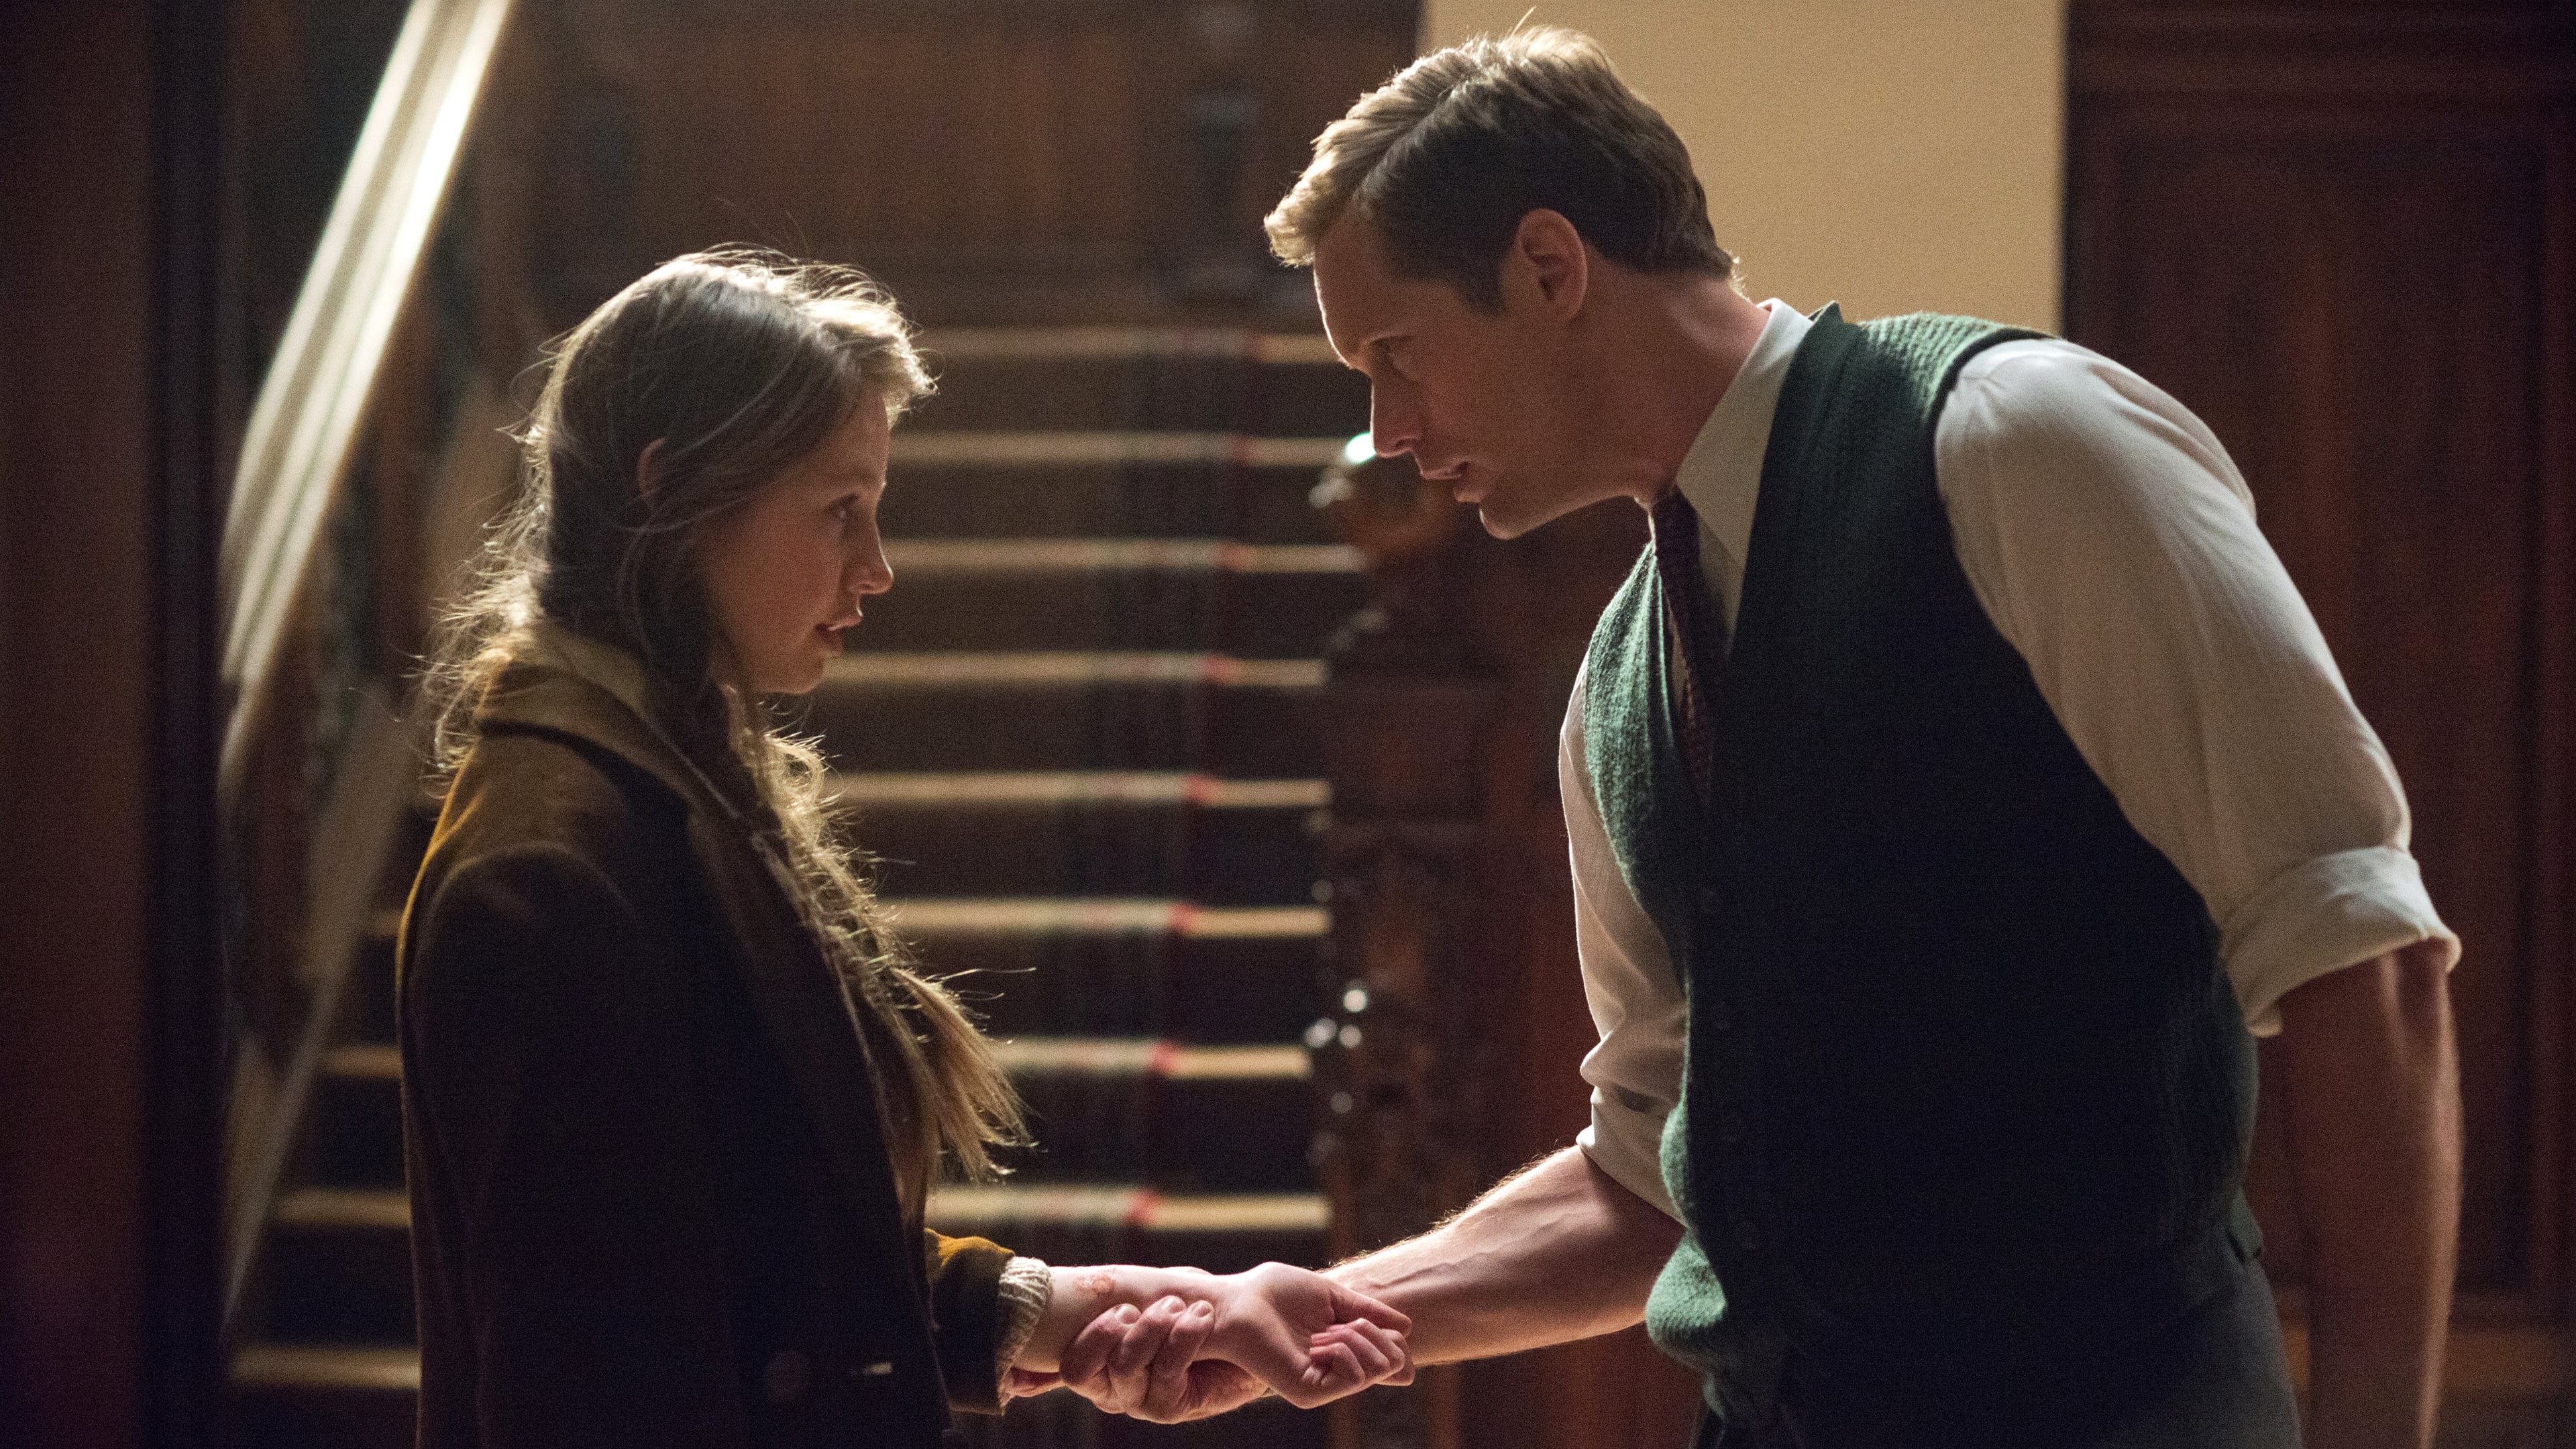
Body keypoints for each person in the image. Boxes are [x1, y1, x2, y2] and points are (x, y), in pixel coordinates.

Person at [1075, 28, 2463, 1449]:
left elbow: (2361, 956)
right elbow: (1650, 1180)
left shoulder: (2014, 443)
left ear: (1549, 267)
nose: (1389, 434)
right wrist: (1323, 1307)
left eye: (1396, 356)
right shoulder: (1617, 688)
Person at [398, 250, 1411, 1447]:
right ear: (669, 492)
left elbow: (772, 1270)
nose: (877, 570)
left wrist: (1084, 1311)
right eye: (840, 511)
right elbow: (600, 1392)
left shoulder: (664, 788)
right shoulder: (547, 882)